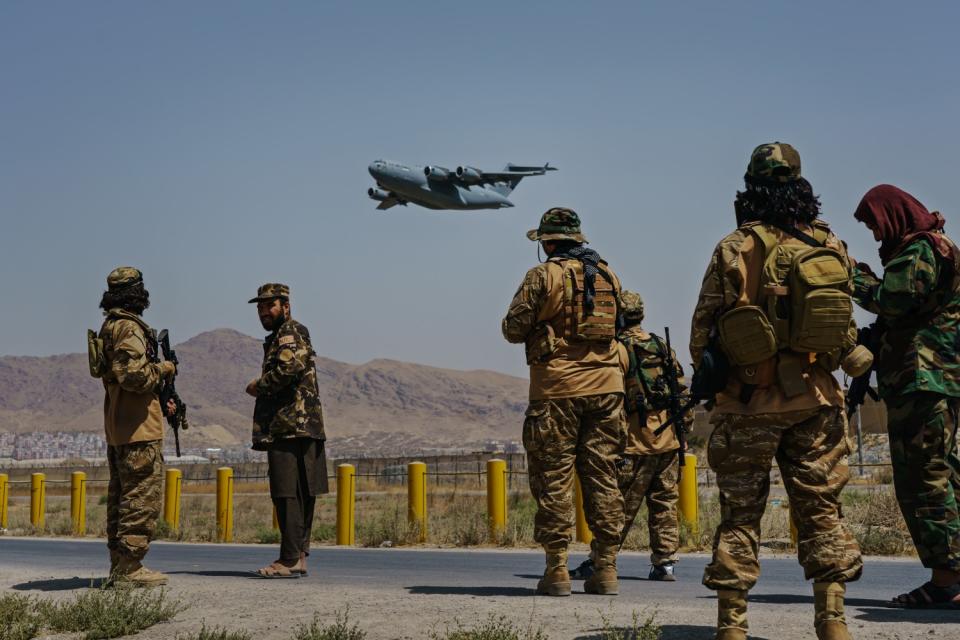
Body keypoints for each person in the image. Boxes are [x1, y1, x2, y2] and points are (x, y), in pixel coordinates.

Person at [690, 143, 864, 640]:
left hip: (748, 401)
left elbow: (703, 329)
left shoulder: (734, 246)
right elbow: (844, 324)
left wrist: (707, 382)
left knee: (740, 513)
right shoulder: (830, 244)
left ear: (750, 186)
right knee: (821, 510)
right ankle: (832, 623)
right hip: (817, 400)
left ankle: (732, 626)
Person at [502, 207, 626, 597]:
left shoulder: (542, 276)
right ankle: (605, 569)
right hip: (607, 389)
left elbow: (513, 328)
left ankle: (556, 570)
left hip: (557, 390)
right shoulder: (609, 274)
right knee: (603, 477)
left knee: (553, 479)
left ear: (547, 242)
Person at [851, 184, 960, 608]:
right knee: (943, 475)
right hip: (930, 379)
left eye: (877, 226)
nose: (878, 237)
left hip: (923, 379)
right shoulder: (936, 245)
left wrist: (851, 275)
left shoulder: (922, 250)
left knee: (924, 481)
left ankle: (946, 580)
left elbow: (892, 299)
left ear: (894, 214)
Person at [570, 290, 689, 582]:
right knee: (664, 505)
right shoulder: (661, 346)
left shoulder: (616, 349)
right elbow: (680, 391)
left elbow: (608, 398)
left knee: (618, 506)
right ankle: (665, 563)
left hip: (634, 443)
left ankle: (601, 559)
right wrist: (682, 432)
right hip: (669, 440)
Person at [94, 267, 175, 586]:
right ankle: (130, 568)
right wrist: (164, 368)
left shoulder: (111, 325)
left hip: (119, 427)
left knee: (122, 498)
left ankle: (120, 565)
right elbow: (134, 376)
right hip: (138, 429)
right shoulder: (128, 327)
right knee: (141, 498)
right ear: (137, 294)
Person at [246, 283, 328, 578]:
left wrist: (259, 385)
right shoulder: (285, 334)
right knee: (301, 492)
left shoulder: (290, 333)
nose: (264, 312)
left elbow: (289, 369)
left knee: (286, 493)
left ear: (286, 306)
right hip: (302, 424)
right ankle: (298, 556)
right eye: (260, 308)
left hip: (289, 425)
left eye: (270, 306)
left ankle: (289, 558)